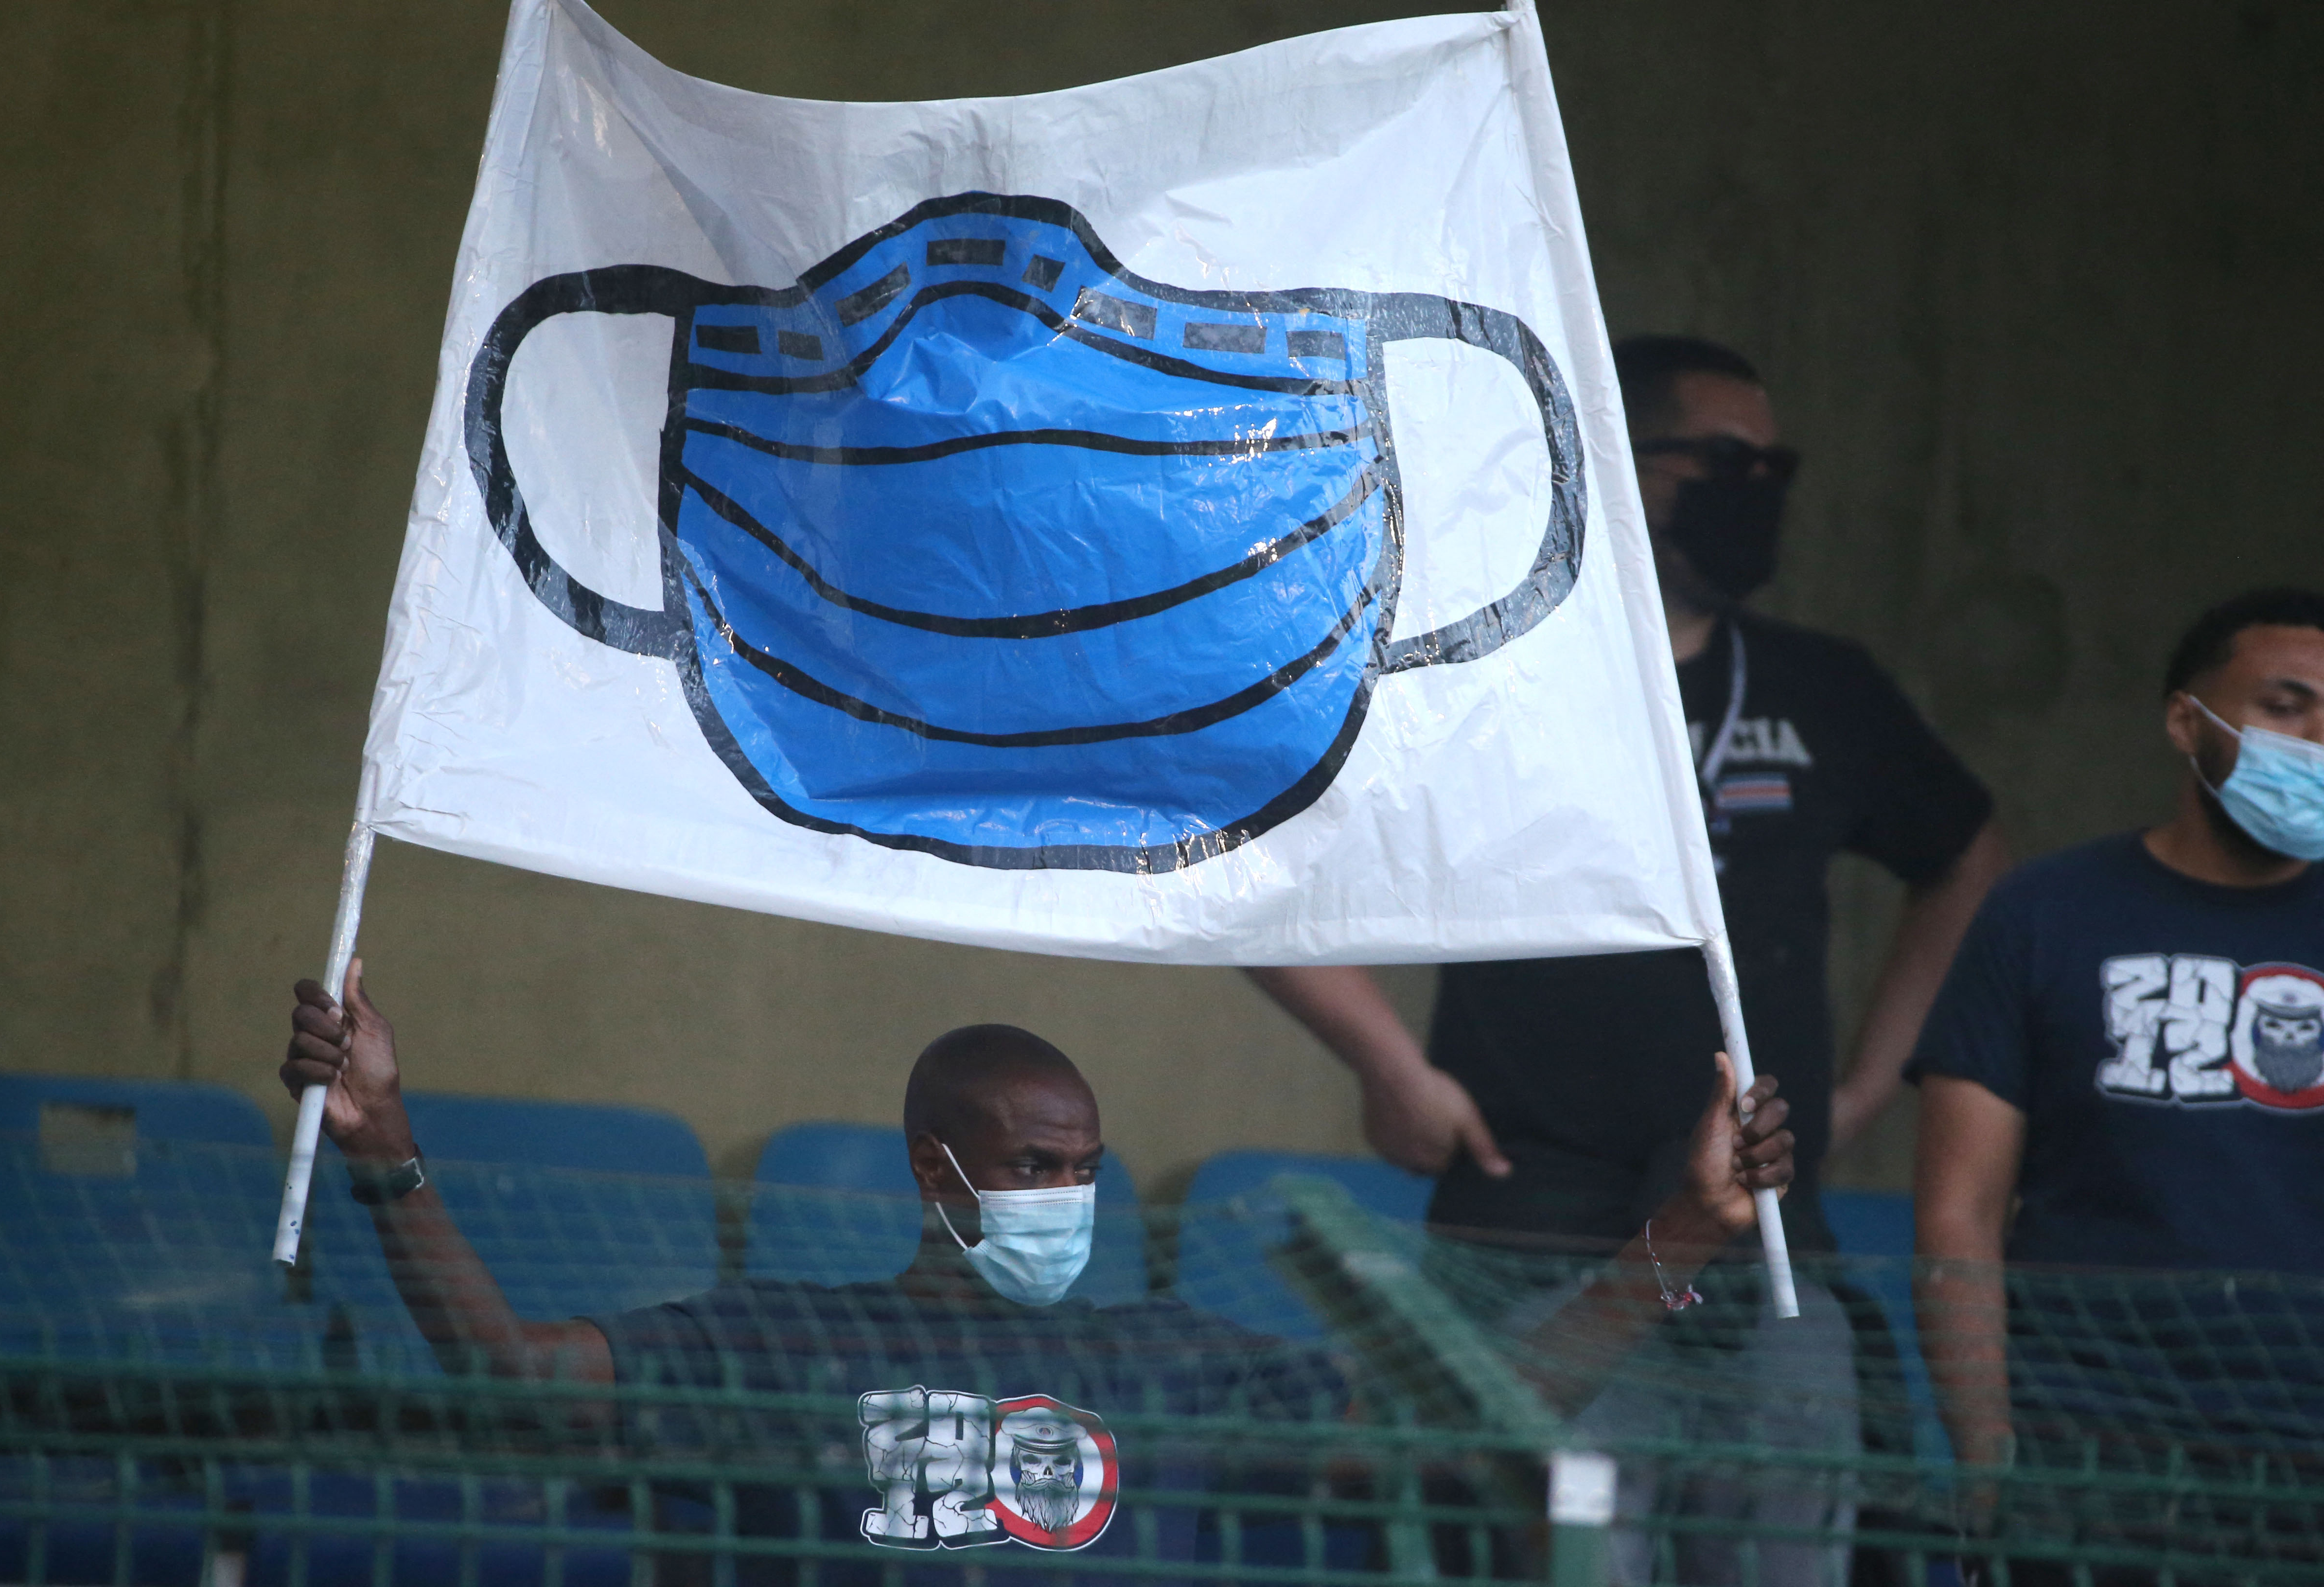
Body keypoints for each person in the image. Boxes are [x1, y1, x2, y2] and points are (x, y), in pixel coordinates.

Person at [281, 963, 1795, 1578]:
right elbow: (511, 1378)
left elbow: (1463, 1415)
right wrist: (385, 1144)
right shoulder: (779, 1341)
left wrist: (1684, 1237)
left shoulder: (1181, 1362)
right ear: (936, 1173)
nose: (1068, 1194)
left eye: (1083, 1166)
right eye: (1028, 1168)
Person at [1246, 334, 2007, 1256]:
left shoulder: (1825, 688)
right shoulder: (1488, 667)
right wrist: (1387, 1064)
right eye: (1728, 460)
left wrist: (1866, 1090)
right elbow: (1253, 842)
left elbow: (1966, 858)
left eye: (1776, 465)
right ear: (1618, 464)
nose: (1757, 486)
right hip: (1532, 1209)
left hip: (1759, 1209)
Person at [1909, 588, 2324, 1480]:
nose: (2317, 742)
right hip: (2090, 1447)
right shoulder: (2043, 913)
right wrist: (1991, 1467)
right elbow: (1960, 1214)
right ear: (2186, 719)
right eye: (2285, 708)